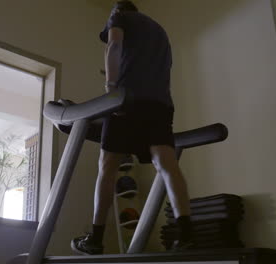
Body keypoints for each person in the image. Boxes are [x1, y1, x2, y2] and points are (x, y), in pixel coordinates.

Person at [70, 0, 193, 255]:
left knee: (107, 166)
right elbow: (150, 67)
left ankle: (95, 238)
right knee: (166, 164)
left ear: (118, 11)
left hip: (127, 102)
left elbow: (114, 44)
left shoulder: (119, 17)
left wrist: (110, 87)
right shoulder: (158, 30)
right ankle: (187, 233)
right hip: (160, 104)